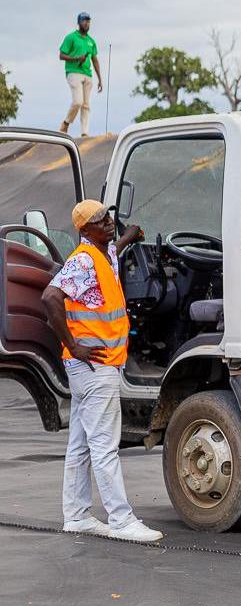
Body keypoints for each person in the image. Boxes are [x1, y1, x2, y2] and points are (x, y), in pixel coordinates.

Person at [40, 200, 163, 542]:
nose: (108, 223)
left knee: (80, 444)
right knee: (104, 444)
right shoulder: (82, 260)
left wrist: (129, 238)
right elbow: (50, 297)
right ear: (84, 230)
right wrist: (75, 345)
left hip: (88, 368)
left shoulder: (102, 252)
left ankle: (77, 515)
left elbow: (112, 254)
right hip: (94, 364)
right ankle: (121, 520)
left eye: (108, 217)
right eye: (99, 221)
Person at [58, 12, 102, 138]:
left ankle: (84, 133)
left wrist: (100, 79)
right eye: (84, 20)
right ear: (79, 22)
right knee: (78, 101)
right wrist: (77, 58)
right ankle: (66, 122)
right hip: (73, 71)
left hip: (87, 73)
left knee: (86, 105)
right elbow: (61, 55)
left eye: (88, 21)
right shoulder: (71, 37)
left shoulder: (91, 41)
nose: (87, 23)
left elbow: (95, 60)